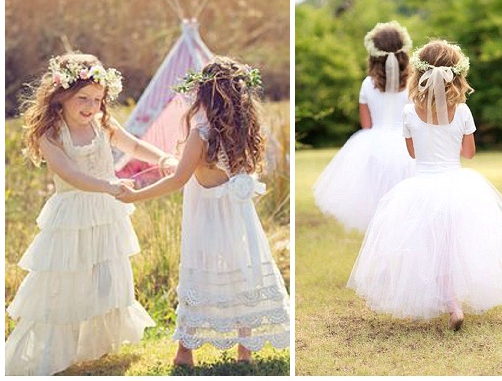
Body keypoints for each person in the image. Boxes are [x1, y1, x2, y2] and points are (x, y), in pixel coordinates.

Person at [347, 40, 502, 330]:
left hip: (422, 187)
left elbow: (414, 153)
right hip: (458, 186)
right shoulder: (463, 112)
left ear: (420, 74)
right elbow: (468, 153)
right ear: (457, 75)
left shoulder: (409, 112)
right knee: (455, 245)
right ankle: (452, 301)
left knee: (428, 245)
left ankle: (443, 299)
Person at [5, 52, 178, 375]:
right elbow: (69, 173)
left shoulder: (103, 123)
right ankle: (55, 351)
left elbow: (135, 146)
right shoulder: (51, 133)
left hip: (105, 211)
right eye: (82, 98)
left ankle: (96, 345)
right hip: (71, 215)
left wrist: (164, 159)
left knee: (106, 276)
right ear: (61, 97)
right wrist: (108, 185)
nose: (90, 106)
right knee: (65, 281)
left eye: (97, 100)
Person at [117, 56, 290, 366]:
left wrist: (135, 196)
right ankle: (244, 350)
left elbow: (178, 179)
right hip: (238, 218)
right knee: (241, 274)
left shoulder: (202, 133)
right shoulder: (245, 133)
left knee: (198, 274)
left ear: (203, 94)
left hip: (206, 219)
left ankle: (185, 350)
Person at [312, 21, 416, 232]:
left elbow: (366, 123)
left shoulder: (368, 84)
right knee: (407, 205)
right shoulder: (414, 83)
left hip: (374, 147)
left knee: (378, 204)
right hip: (407, 148)